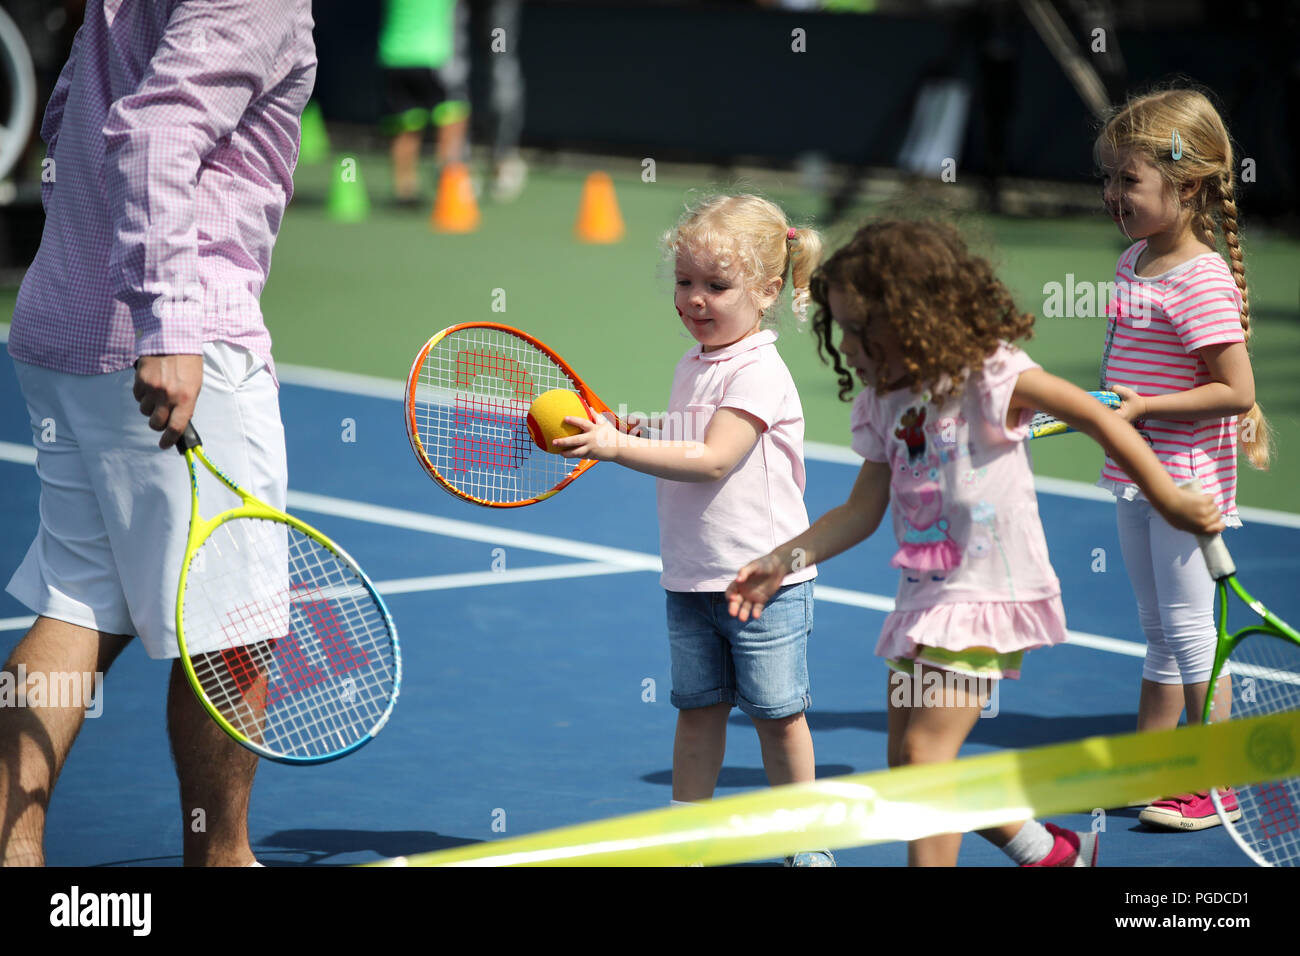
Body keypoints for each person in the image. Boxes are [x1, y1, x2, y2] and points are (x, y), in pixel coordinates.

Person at [725, 219, 1223, 866]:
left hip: (989, 594)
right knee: (911, 775)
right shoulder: (881, 403)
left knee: (926, 761)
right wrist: (780, 560)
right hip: (923, 599)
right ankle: (1048, 850)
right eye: (839, 327)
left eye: (857, 328)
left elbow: (1098, 415)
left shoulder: (990, 374)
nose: (843, 345)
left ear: (910, 319)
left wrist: (1169, 497)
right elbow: (859, 511)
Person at [0, 0, 316, 867]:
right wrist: (168, 324)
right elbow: (158, 133)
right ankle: (224, 860)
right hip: (181, 339)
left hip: (63, 330)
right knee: (234, 631)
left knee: (75, 609)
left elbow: (68, 113)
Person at [552, 195, 833, 866]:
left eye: (716, 285)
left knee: (778, 716)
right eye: (685, 282)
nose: (695, 300)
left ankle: (808, 841)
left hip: (762, 583)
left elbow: (712, 459)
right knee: (698, 712)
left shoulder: (758, 370)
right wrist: (638, 431)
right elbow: (692, 436)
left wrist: (615, 450)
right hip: (692, 577)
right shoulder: (695, 364)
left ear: (768, 291)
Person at [1094, 87, 1267, 831]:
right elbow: (1131, 370)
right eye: (1110, 179)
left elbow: (1235, 390)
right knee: (1159, 630)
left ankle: (1217, 782)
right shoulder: (1135, 259)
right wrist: (1108, 408)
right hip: (1138, 472)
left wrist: (1143, 411)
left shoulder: (1200, 279)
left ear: (1187, 184)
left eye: (1128, 180)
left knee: (1197, 634)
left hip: (1186, 477)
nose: (1113, 195)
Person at [378, 0, 471, 206]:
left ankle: (405, 190)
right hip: (433, 56)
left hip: (394, 56)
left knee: (407, 123)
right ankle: (448, 182)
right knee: (453, 114)